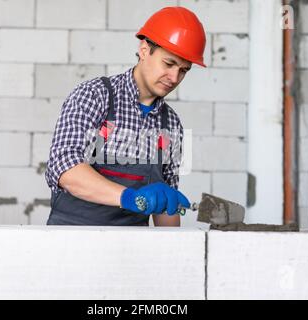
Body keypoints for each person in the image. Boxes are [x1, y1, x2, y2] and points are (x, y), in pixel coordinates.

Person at [45, 6, 206, 227]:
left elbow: (165, 206)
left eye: (183, 70)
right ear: (144, 50)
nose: (174, 77)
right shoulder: (95, 96)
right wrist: (131, 198)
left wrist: (175, 251)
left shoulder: (171, 124)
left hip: (133, 251)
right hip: (73, 241)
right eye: (168, 64)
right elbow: (65, 168)